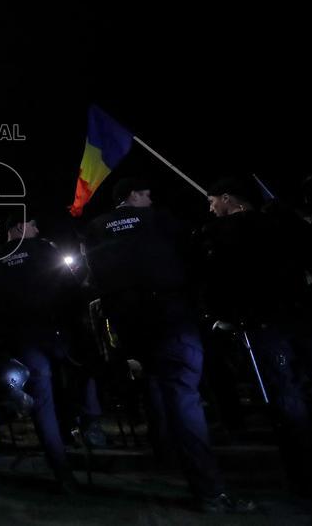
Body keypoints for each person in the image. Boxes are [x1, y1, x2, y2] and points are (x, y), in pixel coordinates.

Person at [84, 177, 253, 513]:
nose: (150, 198)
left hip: (130, 326)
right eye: (146, 193)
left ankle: (169, 458)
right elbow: (194, 258)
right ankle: (210, 491)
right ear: (132, 195)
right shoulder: (159, 220)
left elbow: (92, 277)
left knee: (160, 390)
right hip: (171, 318)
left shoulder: (96, 228)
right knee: (184, 398)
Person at [203, 175, 312, 497]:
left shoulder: (219, 235)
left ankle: (305, 478)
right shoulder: (285, 223)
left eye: (213, 201)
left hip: (266, 327)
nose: (211, 208)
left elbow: (216, 284)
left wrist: (225, 319)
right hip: (307, 320)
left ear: (228, 199)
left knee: (285, 396)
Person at [0, 215, 81, 492]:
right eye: (32, 224)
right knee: (67, 387)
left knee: (44, 401)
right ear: (17, 227)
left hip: (23, 339)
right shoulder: (43, 249)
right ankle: (72, 442)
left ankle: (61, 469)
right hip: (55, 334)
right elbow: (70, 288)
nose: (37, 229)